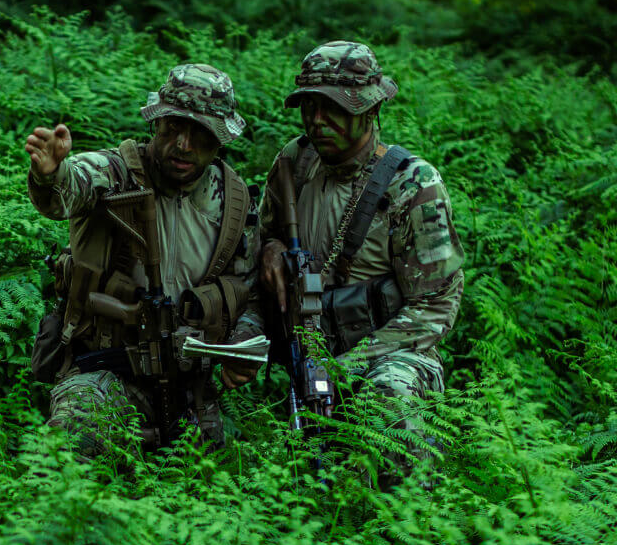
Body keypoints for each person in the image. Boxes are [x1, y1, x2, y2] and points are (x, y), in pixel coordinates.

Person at [25, 64, 264, 457]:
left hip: (188, 386)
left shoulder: (235, 202)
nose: (184, 145)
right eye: (173, 128)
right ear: (157, 123)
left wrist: (240, 348)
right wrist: (51, 174)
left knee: (224, 475)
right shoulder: (116, 173)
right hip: (103, 370)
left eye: (200, 134)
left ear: (221, 137)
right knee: (73, 445)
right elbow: (68, 189)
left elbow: (248, 291)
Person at [256, 41, 465, 484]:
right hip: (305, 347)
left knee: (390, 395)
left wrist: (348, 367)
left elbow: (436, 306)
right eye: (309, 106)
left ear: (370, 110)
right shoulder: (294, 163)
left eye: (332, 107)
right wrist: (271, 250)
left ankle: (407, 529)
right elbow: (264, 234)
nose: (316, 120)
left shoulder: (413, 184)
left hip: (390, 351)